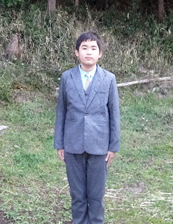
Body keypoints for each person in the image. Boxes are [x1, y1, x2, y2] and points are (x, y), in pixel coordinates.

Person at [54, 31, 120, 224]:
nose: (88, 52)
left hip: (99, 146)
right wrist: (60, 144)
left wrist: (113, 146)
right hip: (72, 144)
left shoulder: (108, 79)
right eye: (84, 48)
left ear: (100, 53)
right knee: (77, 194)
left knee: (96, 195)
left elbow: (114, 114)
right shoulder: (67, 77)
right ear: (77, 52)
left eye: (93, 48)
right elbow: (61, 112)